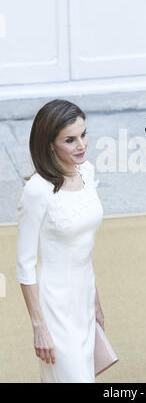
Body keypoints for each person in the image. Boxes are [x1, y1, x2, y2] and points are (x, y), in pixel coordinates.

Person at [16, 99, 105, 383]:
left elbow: (83, 248)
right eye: (70, 139)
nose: (82, 145)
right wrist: (39, 325)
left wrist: (95, 301)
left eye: (83, 134)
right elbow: (25, 265)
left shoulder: (87, 173)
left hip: (84, 297)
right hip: (54, 307)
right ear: (50, 144)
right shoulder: (36, 190)